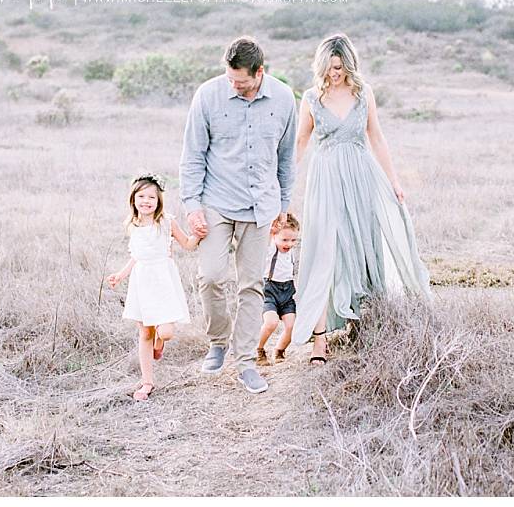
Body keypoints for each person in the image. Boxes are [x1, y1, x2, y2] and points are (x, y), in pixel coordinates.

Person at [290, 33, 433, 364]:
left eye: (339, 67)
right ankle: (319, 341)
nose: (334, 73)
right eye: (329, 67)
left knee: (363, 247)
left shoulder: (363, 93)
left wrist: (394, 181)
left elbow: (377, 138)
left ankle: (362, 324)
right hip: (325, 181)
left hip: (361, 177)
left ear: (349, 65)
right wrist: (282, 183)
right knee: (324, 252)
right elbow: (300, 141)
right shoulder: (311, 97)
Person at [179, 36, 297, 394]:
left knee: (251, 286)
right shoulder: (207, 95)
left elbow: (287, 159)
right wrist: (191, 205)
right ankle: (218, 341)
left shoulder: (284, 99)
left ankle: (245, 361)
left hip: (261, 207)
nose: (235, 86)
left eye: (242, 81)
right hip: (216, 201)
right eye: (230, 79)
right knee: (211, 276)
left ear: (260, 72)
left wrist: (283, 206)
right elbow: (193, 154)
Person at [107, 174, 200, 401]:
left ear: (159, 201)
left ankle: (160, 342)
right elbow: (136, 257)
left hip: (163, 281)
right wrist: (120, 275)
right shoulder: (133, 225)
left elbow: (187, 244)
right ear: (133, 199)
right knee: (145, 331)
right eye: (141, 196)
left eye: (151, 197)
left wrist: (198, 235)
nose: (146, 201)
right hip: (142, 283)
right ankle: (147, 382)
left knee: (165, 332)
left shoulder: (166, 222)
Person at [256, 213, 301, 366]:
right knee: (271, 323)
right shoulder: (270, 249)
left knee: (292, 326)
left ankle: (280, 350)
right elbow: (266, 237)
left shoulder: (292, 252)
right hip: (270, 290)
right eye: (285, 240)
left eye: (293, 240)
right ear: (274, 236)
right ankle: (259, 349)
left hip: (287, 291)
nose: (289, 244)